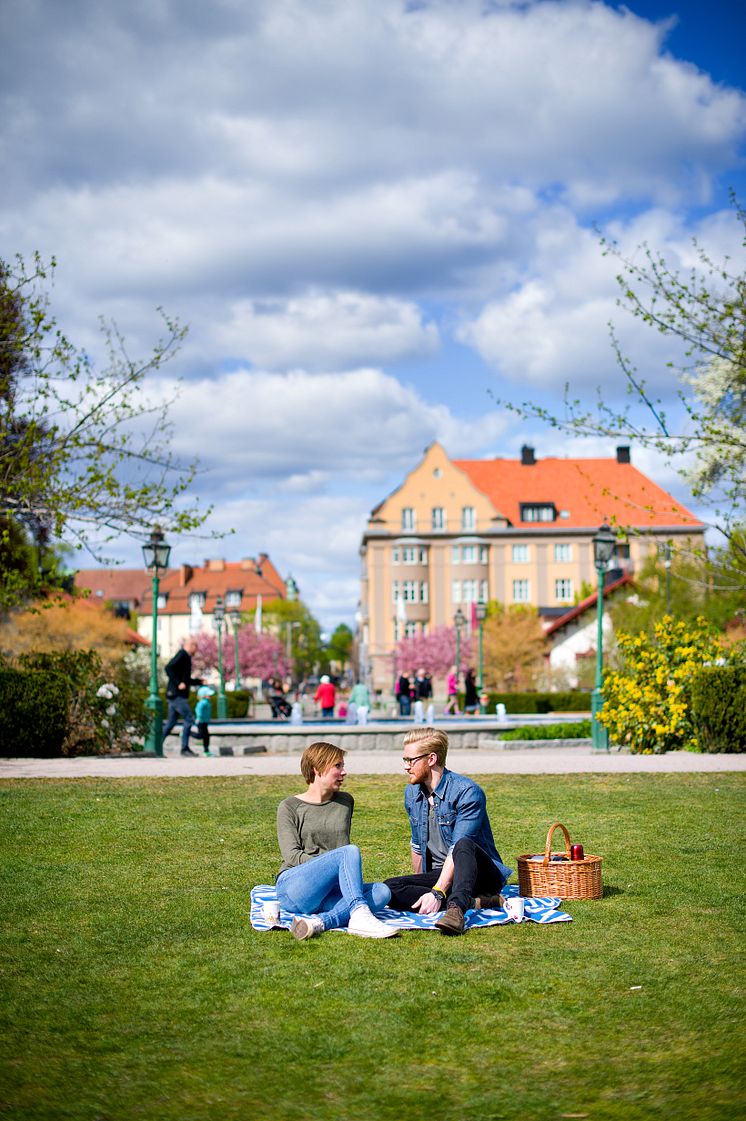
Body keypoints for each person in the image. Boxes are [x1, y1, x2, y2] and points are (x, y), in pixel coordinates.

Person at [384, 727, 512, 935]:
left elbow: (457, 848)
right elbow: (417, 845)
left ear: (431, 758)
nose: (405, 767)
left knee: (463, 844)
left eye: (410, 760)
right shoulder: (412, 793)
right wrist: (422, 885)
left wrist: (436, 892)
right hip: (441, 875)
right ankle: (475, 902)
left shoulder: (467, 792)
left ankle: (456, 911)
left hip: (479, 874)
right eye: (404, 760)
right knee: (390, 887)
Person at [275, 741, 397, 940]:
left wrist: (335, 873)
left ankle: (320, 922)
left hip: (330, 891)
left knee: (382, 892)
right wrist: (331, 865)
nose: (344, 772)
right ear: (318, 769)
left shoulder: (345, 802)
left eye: (343, 766)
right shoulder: (289, 807)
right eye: (338, 766)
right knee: (349, 852)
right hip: (295, 887)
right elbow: (291, 855)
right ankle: (358, 912)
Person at [163, 637, 203, 755]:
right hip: (177, 695)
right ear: (191, 646)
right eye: (196, 647)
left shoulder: (186, 657)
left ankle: (156, 746)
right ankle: (184, 748)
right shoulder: (182, 655)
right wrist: (178, 683)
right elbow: (168, 668)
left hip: (175, 695)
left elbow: (185, 680)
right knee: (189, 719)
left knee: (171, 723)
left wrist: (199, 682)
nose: (196, 650)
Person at [192, 685, 214, 755]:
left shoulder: (207, 702)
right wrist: (200, 718)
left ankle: (206, 750)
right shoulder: (202, 702)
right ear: (203, 695)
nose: (210, 696)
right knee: (201, 735)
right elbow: (198, 710)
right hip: (201, 722)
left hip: (205, 722)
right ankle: (187, 733)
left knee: (206, 736)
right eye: (208, 694)